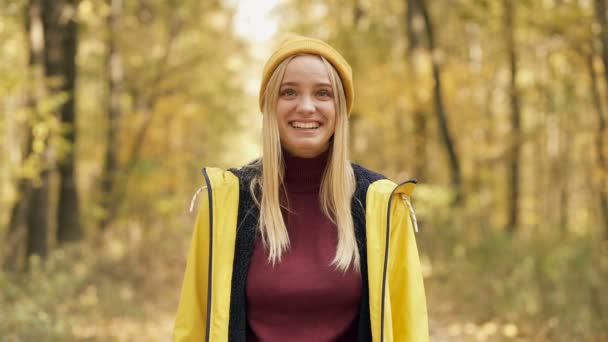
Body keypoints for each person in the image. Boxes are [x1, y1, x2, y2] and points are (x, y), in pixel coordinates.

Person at [173, 35, 429, 342]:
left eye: (323, 93)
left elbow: (408, 328)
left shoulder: (382, 205)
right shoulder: (226, 202)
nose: (306, 107)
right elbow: (193, 324)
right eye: (289, 92)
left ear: (341, 108)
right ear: (269, 105)